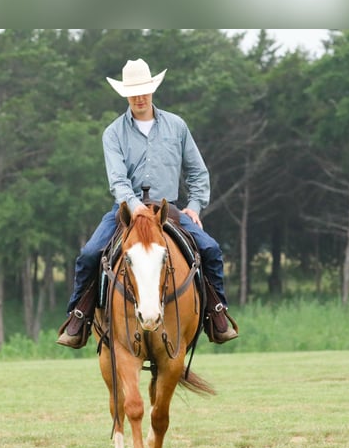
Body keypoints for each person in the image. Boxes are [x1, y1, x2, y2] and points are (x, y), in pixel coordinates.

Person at [57, 58, 238, 348]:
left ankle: (216, 313)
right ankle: (79, 317)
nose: (139, 97)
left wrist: (194, 205)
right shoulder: (113, 133)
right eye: (133, 91)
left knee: (211, 249)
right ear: (126, 94)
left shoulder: (176, 126)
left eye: (144, 90)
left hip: (168, 211)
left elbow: (197, 171)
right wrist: (132, 204)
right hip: (127, 212)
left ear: (152, 90)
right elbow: (117, 179)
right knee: (90, 253)